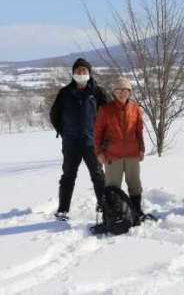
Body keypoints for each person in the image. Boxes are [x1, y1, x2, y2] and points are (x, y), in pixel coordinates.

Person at [49, 58, 108, 221]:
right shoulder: (65, 93)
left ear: (89, 73)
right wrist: (63, 131)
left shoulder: (98, 92)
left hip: (92, 142)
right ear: (73, 73)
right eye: (78, 71)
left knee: (98, 175)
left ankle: (103, 204)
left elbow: (107, 115)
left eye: (84, 71)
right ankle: (63, 210)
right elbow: (54, 114)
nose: (81, 73)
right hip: (71, 143)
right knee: (68, 176)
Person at [94, 77, 147, 217]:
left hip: (132, 154)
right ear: (114, 92)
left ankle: (136, 211)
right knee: (112, 187)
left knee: (135, 185)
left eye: (125, 90)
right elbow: (97, 133)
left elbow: (139, 131)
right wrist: (99, 152)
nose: (122, 92)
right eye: (119, 90)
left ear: (129, 92)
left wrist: (141, 149)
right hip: (112, 155)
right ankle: (112, 214)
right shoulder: (105, 110)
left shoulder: (135, 109)